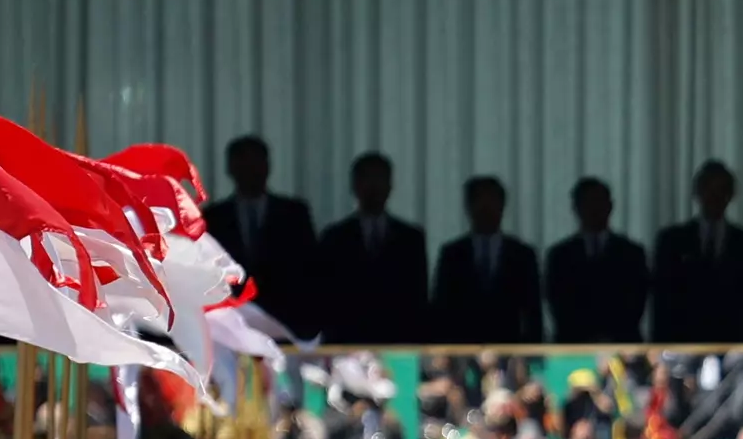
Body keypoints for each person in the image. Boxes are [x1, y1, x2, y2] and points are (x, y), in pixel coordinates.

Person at [308, 151, 428, 346]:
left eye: (380, 179)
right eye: (367, 179)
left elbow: (417, 300)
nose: (373, 187)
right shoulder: (334, 237)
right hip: (346, 342)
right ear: (354, 186)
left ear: (390, 186)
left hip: (398, 341)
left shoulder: (411, 238)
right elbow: (324, 297)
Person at [211, 135, 323, 336]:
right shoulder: (214, 217)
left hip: (286, 323)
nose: (250, 171)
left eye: (255, 163)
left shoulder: (294, 214)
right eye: (243, 164)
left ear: (267, 167)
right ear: (230, 169)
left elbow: (309, 271)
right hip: (231, 324)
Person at [653, 159, 743, 345]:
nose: (714, 197)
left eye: (721, 190)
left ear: (730, 195)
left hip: (734, 343)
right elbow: (663, 303)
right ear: (697, 193)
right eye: (708, 189)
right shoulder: (672, 241)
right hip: (682, 342)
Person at [429, 176, 544, 345]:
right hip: (462, 349)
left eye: (492, 201)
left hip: (511, 349)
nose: (486, 209)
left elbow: (533, 311)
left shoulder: (522, 254)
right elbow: (440, 308)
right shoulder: (452, 254)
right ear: (468, 207)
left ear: (502, 206)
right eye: (479, 202)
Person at [545, 177, 652, 346]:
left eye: (599, 202)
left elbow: (636, 302)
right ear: (576, 208)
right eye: (588, 203)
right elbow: (557, 303)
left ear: (610, 206)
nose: (594, 209)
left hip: (622, 343)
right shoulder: (560, 255)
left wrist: (609, 337)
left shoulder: (632, 253)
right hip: (573, 345)